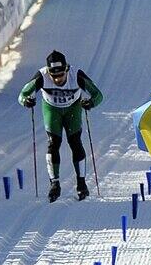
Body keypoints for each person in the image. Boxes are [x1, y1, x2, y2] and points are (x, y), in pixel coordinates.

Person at [18, 50, 102, 202]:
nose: (57, 79)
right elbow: (22, 94)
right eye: (53, 76)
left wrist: (91, 103)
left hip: (72, 109)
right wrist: (26, 101)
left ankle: (81, 183)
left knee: (75, 142)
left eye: (61, 75)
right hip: (52, 109)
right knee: (53, 143)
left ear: (66, 69)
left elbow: (98, 95)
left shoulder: (76, 75)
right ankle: (54, 184)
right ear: (48, 71)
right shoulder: (42, 76)